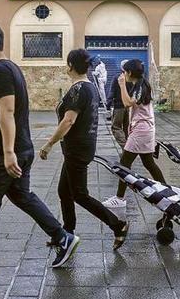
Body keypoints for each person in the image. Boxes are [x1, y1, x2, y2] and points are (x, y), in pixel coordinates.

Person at [0, 23, 79, 272]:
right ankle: (62, 236)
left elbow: (8, 111)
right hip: (21, 147)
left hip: (4, 152)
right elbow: (3, 112)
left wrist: (8, 152)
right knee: (21, 195)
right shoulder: (11, 67)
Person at [39, 49, 129, 250]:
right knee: (64, 191)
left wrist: (49, 143)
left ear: (70, 65)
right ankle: (66, 233)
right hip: (79, 148)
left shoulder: (79, 89)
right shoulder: (89, 87)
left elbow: (68, 120)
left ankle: (118, 225)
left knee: (79, 194)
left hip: (77, 149)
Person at [103, 59, 167, 208]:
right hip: (145, 130)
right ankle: (166, 191)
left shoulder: (140, 87)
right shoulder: (141, 84)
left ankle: (119, 198)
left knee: (124, 165)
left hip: (141, 131)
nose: (123, 74)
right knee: (149, 163)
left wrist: (121, 85)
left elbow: (126, 103)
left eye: (125, 71)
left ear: (129, 73)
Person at [108, 59, 132, 146]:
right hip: (129, 107)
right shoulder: (132, 78)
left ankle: (125, 146)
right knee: (127, 128)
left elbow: (112, 91)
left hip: (119, 107)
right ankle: (128, 149)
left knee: (116, 127)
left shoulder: (117, 77)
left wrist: (108, 104)